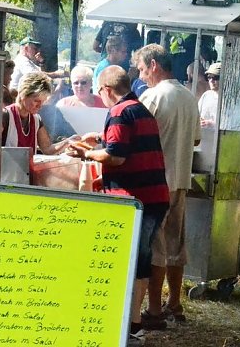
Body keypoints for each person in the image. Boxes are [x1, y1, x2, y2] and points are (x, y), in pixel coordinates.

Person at [65, 65, 169, 346]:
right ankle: (133, 323)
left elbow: (117, 157)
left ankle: (130, 326)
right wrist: (98, 141)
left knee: (132, 261)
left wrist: (88, 153)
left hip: (136, 199)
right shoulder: (140, 108)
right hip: (155, 197)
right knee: (142, 259)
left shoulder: (119, 112)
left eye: (100, 91)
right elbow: (125, 145)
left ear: (107, 90)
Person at [133, 44, 201, 328]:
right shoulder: (188, 96)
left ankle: (155, 309)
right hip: (181, 180)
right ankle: (174, 303)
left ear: (153, 65)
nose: (141, 75)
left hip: (157, 181)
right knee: (176, 244)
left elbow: (138, 138)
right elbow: (196, 140)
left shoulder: (152, 96)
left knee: (156, 247)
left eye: (141, 69)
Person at [0, 71, 72, 156]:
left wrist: (69, 141)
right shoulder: (5, 116)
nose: (40, 106)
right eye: (36, 101)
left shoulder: (36, 119)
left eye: (42, 101)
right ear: (23, 94)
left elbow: (47, 148)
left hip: (25, 174)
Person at [198, 62, 221, 128]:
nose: (211, 80)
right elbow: (197, 116)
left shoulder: (231, 100)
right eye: (208, 77)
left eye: (215, 77)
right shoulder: (206, 95)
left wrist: (212, 124)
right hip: (204, 135)